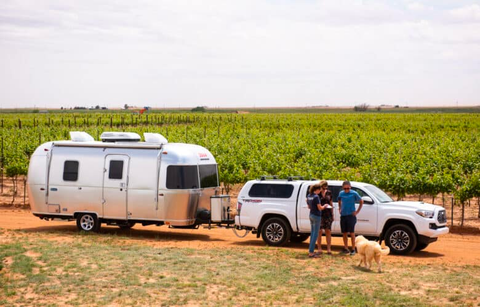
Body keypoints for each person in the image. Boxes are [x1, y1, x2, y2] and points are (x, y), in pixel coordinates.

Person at [338, 180, 363, 255]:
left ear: (350, 187)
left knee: (352, 232)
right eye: (345, 188)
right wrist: (340, 208)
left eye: (348, 188)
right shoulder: (341, 193)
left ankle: (353, 248)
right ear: (343, 188)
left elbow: (361, 201)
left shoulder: (354, 193)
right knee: (344, 232)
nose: (346, 190)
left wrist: (357, 211)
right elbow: (339, 200)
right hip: (343, 215)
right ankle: (345, 247)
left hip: (351, 215)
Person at [306, 183, 328, 258]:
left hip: (311, 215)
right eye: (320, 190)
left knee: (312, 233)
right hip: (316, 215)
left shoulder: (309, 196)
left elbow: (309, 206)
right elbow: (320, 208)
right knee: (315, 234)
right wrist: (324, 206)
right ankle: (311, 252)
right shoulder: (316, 197)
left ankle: (310, 250)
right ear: (317, 190)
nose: (320, 191)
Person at [318, 180, 333, 255]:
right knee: (319, 231)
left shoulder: (329, 193)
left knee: (328, 231)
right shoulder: (317, 194)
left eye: (325, 188)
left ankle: (329, 248)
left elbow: (331, 202)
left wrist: (332, 214)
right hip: (320, 214)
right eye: (323, 188)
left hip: (328, 214)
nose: (324, 190)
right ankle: (319, 248)